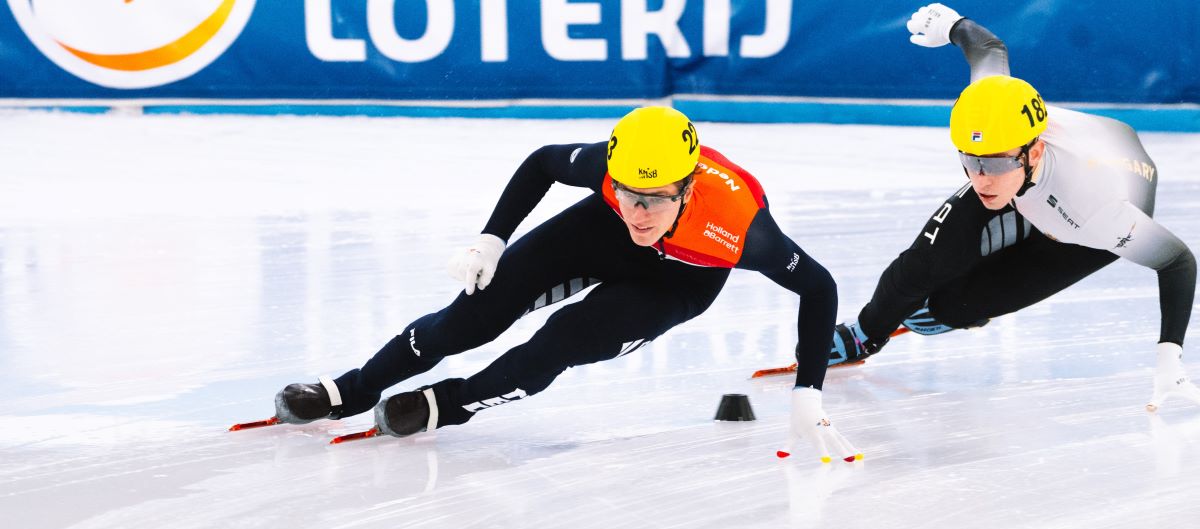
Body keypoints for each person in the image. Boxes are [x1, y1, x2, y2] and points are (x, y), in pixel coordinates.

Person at [269, 106, 859, 462]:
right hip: (593, 236)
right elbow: (542, 163)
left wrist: (809, 389)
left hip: (678, 280)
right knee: (467, 319)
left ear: (686, 188)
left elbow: (820, 286)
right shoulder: (610, 174)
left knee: (560, 342)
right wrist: (492, 237)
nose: (640, 213)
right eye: (629, 194)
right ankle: (353, 388)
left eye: (655, 200)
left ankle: (447, 406)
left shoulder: (741, 229)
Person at [828, 4, 1200, 412]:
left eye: (994, 162)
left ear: (1033, 151)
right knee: (921, 266)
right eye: (970, 160)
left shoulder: (1097, 209)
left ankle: (956, 305)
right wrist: (952, 24)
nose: (980, 179)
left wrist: (1170, 358)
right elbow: (988, 48)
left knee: (949, 307)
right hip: (1048, 179)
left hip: (1088, 224)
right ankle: (866, 334)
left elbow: (1177, 261)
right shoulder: (996, 114)